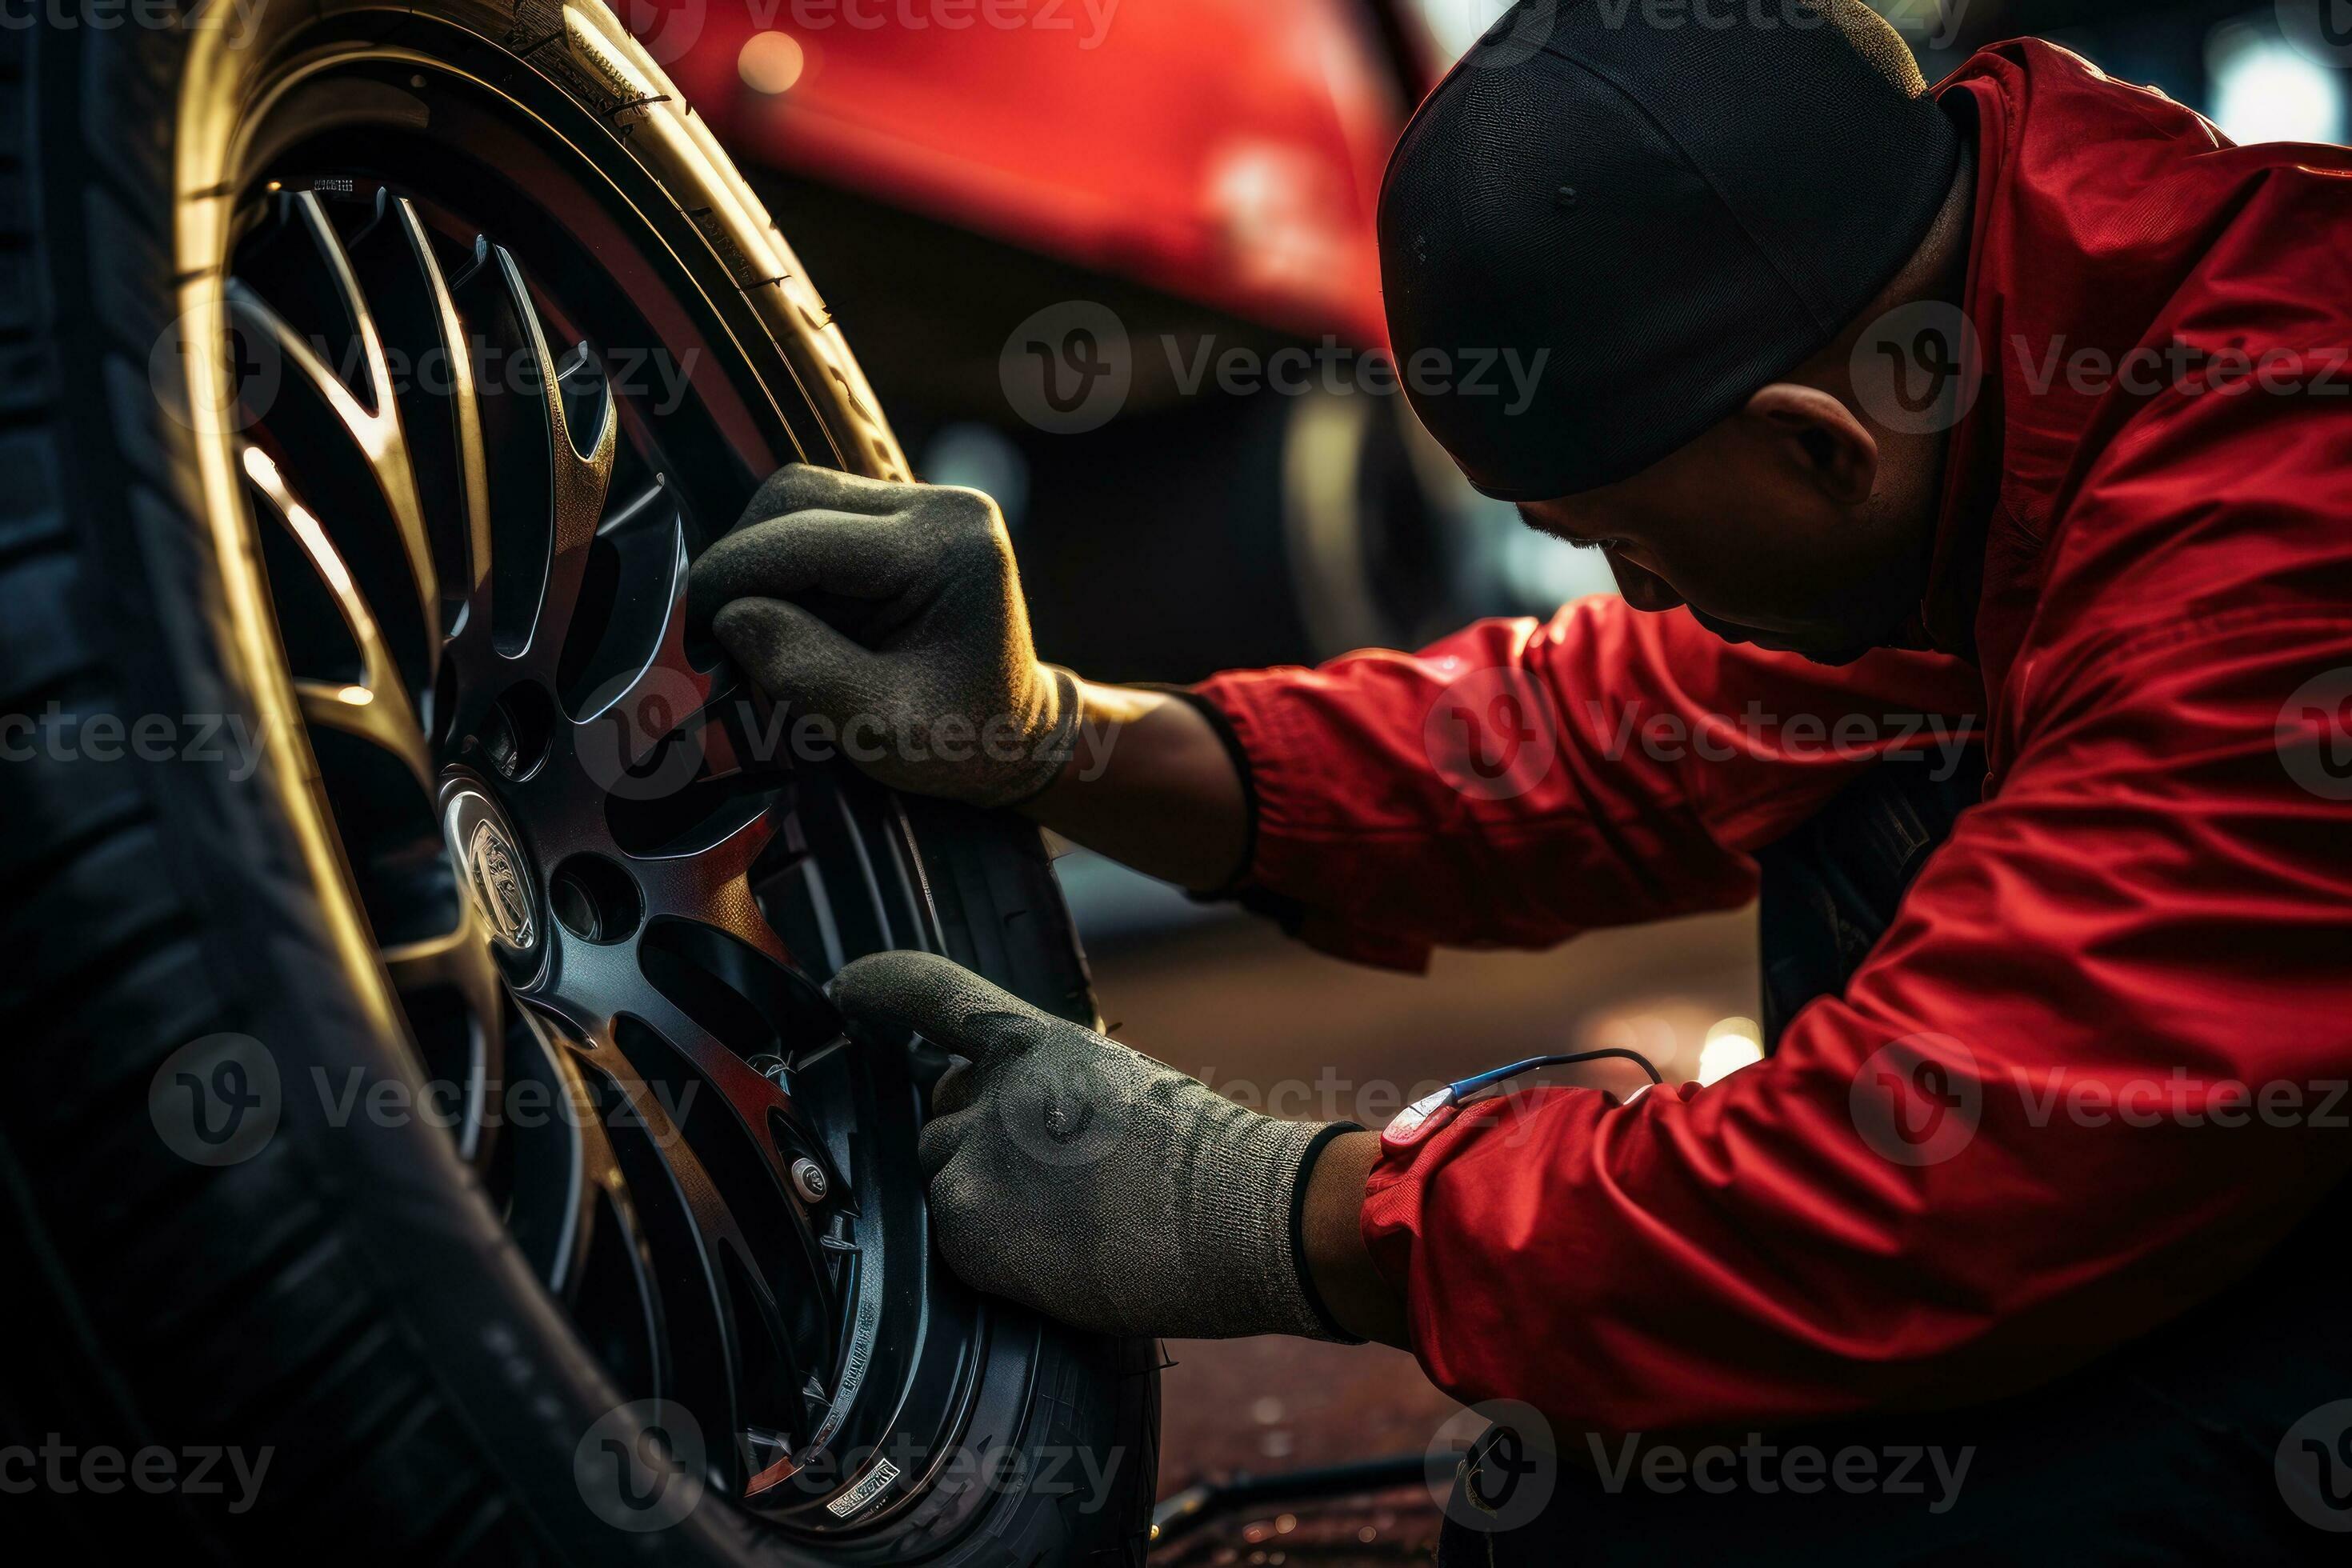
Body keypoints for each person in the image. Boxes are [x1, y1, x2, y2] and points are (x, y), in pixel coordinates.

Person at [689, 3, 2352, 1558]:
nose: (1629, 593)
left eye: (1628, 538)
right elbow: (1597, 740)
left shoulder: (2274, 554)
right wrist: (1061, 735)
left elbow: (1896, 1186)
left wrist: (1269, 1208)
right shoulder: (2024, 337)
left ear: (1818, 446)